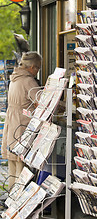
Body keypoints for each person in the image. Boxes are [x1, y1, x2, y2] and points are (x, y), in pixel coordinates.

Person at [2, 51, 42, 189]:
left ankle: (11, 199)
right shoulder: (28, 81)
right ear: (32, 67)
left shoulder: (15, 78)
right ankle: (18, 200)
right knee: (22, 167)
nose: (37, 72)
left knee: (13, 167)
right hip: (22, 126)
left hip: (12, 124)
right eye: (38, 68)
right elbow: (42, 102)